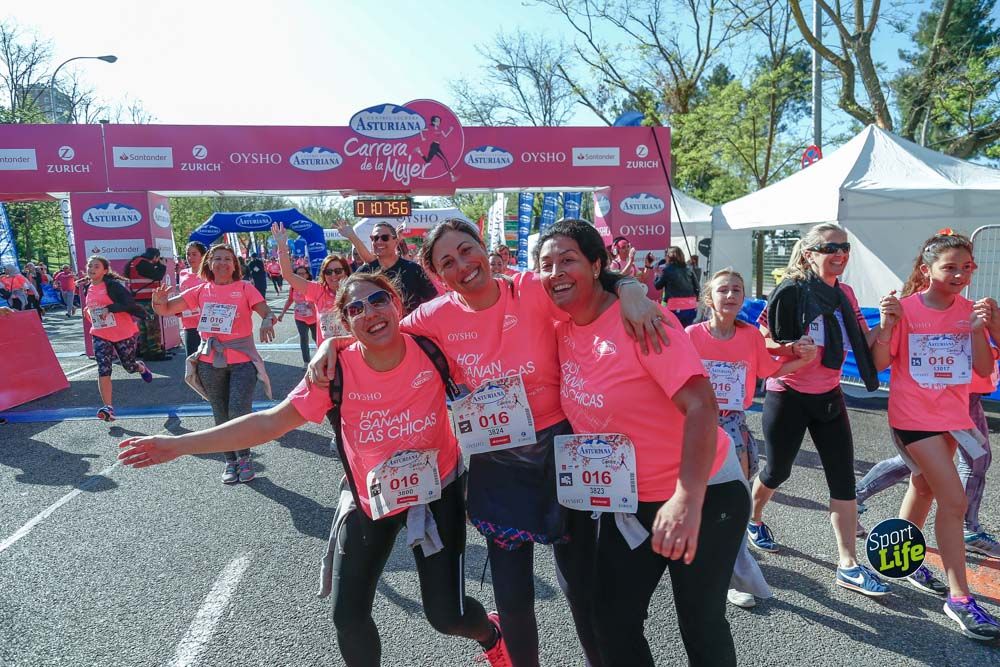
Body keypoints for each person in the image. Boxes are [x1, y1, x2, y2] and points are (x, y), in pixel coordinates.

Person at [309, 218, 669, 667]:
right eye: (447, 261)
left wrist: (630, 286)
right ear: (437, 274)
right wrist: (334, 345)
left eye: (466, 250)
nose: (461, 265)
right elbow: (382, 333)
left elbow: (584, 282)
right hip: (496, 463)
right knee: (513, 598)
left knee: (581, 589)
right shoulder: (435, 317)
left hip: (562, 453)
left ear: (484, 247)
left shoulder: (532, 289)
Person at [118, 273, 513, 666]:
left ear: (396, 302)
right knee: (348, 615)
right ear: (345, 320)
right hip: (370, 496)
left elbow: (485, 343)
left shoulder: (431, 348)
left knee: (447, 617)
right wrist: (177, 445)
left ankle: (491, 634)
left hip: (437, 490)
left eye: (378, 300)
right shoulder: (333, 371)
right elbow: (269, 423)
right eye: (355, 309)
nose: (370, 313)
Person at [535, 219, 743, 667]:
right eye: (546, 264)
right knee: (610, 620)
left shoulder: (641, 320)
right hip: (628, 504)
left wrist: (687, 499)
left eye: (568, 260)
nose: (555, 272)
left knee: (701, 624)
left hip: (703, 493)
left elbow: (703, 406)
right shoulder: (563, 328)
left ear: (595, 265)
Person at [869, 232, 1000, 640]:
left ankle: (898, 555)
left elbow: (982, 373)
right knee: (954, 500)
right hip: (912, 417)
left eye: (966, 266)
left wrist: (980, 329)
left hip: (953, 416)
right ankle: (959, 598)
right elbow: (876, 363)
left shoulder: (970, 311)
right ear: (927, 270)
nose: (960, 274)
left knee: (924, 486)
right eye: (950, 267)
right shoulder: (905, 309)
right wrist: (888, 326)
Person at [749, 223, 890, 598]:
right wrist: (792, 348)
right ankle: (754, 517)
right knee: (777, 471)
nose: (840, 254)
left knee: (842, 480)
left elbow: (863, 339)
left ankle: (848, 564)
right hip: (788, 394)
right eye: (831, 248)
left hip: (829, 397)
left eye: (845, 247)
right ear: (810, 253)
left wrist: (890, 322)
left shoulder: (845, 293)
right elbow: (762, 336)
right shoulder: (792, 290)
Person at [686, 268, 817, 609]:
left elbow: (769, 370)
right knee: (697, 500)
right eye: (724, 290)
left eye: (737, 290)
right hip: (694, 426)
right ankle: (701, 562)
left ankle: (732, 576)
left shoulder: (750, 338)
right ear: (708, 298)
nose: (730, 296)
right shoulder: (690, 336)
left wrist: (800, 359)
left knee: (735, 500)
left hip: (734, 427)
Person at [150, 243, 276, 484]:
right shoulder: (200, 290)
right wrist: (158, 301)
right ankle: (230, 460)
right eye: (217, 258)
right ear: (209, 263)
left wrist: (267, 321)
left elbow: (267, 312)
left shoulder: (245, 288)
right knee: (220, 412)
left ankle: (245, 457)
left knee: (239, 411)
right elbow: (166, 309)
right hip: (209, 360)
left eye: (227, 259)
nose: (222, 263)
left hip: (242, 359)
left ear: (235, 265)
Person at [80, 256, 154, 422]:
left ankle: (140, 367)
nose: (91, 269)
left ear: (105, 270)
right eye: (90, 266)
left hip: (122, 331)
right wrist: (87, 311)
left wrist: (110, 308)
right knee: (103, 368)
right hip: (100, 333)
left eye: (96, 266)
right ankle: (108, 407)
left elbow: (127, 303)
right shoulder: (87, 287)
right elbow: (92, 307)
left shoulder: (113, 286)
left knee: (129, 366)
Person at [272, 224, 351, 346]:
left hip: (353, 354)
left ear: (346, 272)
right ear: (323, 275)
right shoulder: (319, 290)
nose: (333, 275)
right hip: (327, 358)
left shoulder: (356, 291)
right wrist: (282, 246)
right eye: (328, 272)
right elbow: (288, 275)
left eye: (338, 271)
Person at [354, 222, 438, 315]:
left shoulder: (413, 269)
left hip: (410, 327)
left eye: (384, 238)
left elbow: (433, 301)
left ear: (395, 241)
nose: (379, 241)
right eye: (375, 238)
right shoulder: (363, 273)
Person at [124, 248, 168, 361]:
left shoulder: (135, 263)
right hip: (147, 300)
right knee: (152, 327)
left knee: (143, 328)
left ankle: (144, 350)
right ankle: (155, 352)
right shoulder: (143, 263)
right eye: (157, 258)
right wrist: (162, 266)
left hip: (138, 300)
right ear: (155, 257)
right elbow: (158, 276)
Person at [277, 264, 319, 366]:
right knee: (303, 338)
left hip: (314, 318)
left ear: (307, 275)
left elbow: (320, 301)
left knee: (317, 338)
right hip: (300, 317)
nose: (300, 275)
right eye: (298, 273)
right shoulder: (293, 287)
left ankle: (323, 358)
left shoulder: (313, 285)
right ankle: (306, 362)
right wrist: (282, 314)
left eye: (303, 273)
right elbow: (290, 300)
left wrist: (313, 306)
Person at [654, 246, 700, 326]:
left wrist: (657, 274)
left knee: (675, 332)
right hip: (691, 307)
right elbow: (697, 287)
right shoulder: (689, 269)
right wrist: (696, 302)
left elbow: (657, 286)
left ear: (669, 257)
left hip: (675, 308)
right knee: (686, 331)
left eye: (666, 256)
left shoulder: (667, 270)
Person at [177, 242, 207, 356]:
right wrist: (178, 309)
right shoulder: (183, 273)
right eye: (188, 254)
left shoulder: (210, 274)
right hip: (189, 324)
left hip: (207, 324)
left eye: (194, 254)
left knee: (209, 363)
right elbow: (182, 296)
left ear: (203, 255)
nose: (190, 258)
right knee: (191, 361)